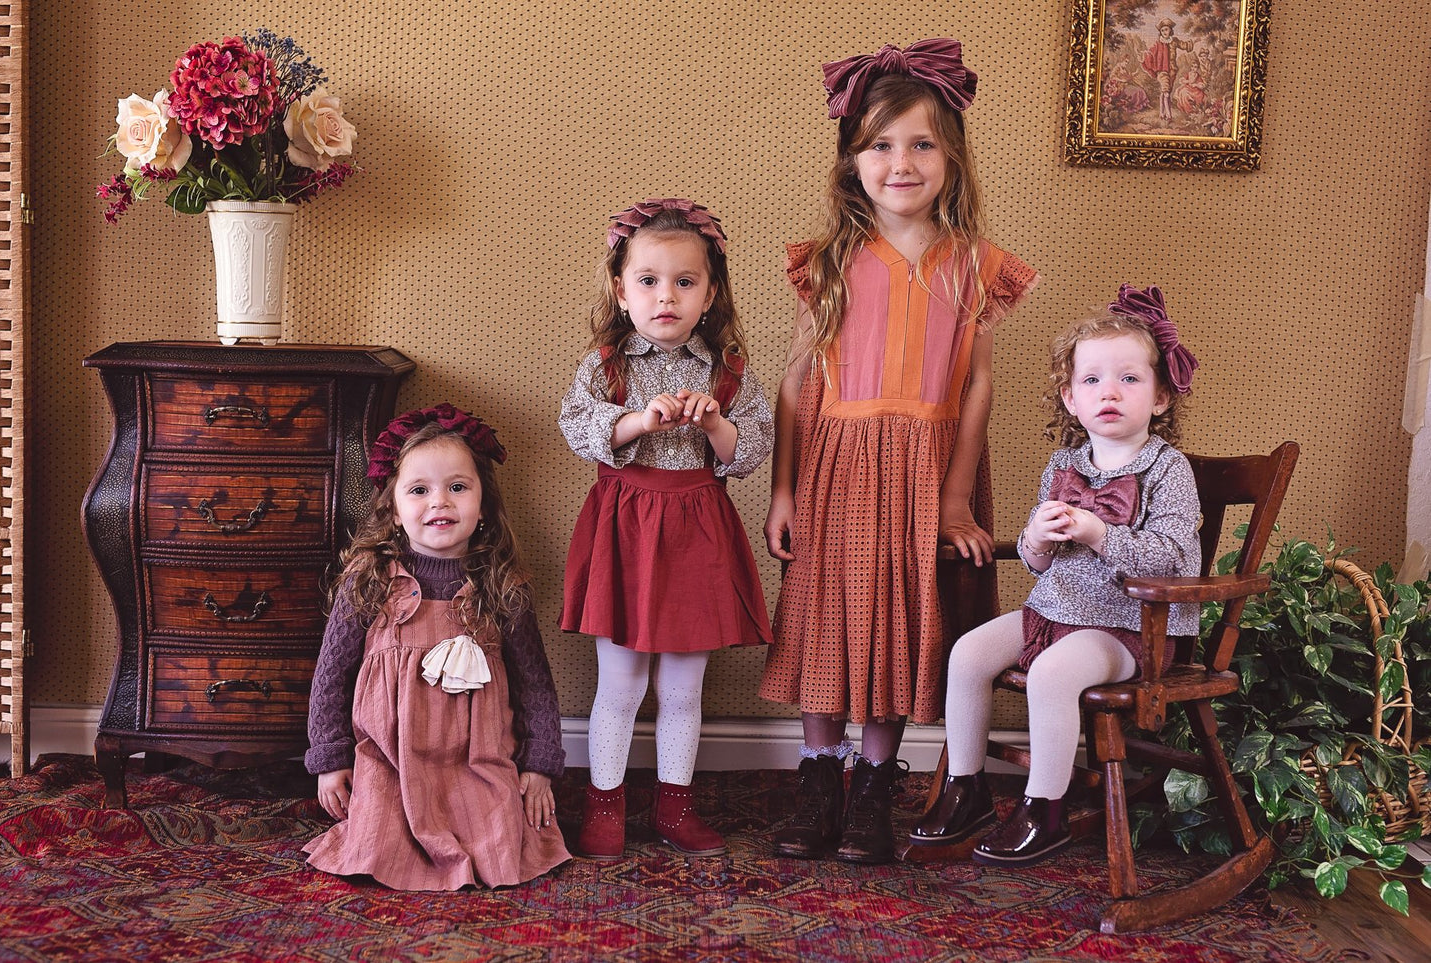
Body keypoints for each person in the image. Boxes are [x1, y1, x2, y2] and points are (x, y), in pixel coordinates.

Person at [760, 39, 1039, 865]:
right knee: (826, 619)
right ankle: (819, 778)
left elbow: (977, 386)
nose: (900, 163)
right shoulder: (827, 262)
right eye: (879, 145)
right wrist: (783, 491)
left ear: (951, 157)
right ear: (852, 161)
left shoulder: (977, 266)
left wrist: (953, 498)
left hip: (925, 470)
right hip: (835, 463)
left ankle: (873, 787)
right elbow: (795, 383)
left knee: (893, 619)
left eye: (920, 144)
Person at [911, 284, 1201, 866]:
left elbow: (1174, 562)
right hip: (1052, 613)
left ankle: (1045, 809)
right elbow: (1038, 562)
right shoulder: (1064, 464)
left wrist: (1100, 534)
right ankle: (965, 788)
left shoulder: (1169, 470)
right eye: (1091, 380)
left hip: (1130, 631)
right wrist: (1038, 539)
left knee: (1049, 674)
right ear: (1070, 398)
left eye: (1129, 379)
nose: (1109, 392)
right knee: (966, 654)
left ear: (1161, 397)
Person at [559, 198, 774, 859]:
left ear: (709, 294)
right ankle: (604, 805)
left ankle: (675, 806)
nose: (666, 296)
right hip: (624, 530)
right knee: (621, 684)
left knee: (682, 687)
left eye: (685, 282)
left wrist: (714, 423)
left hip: (696, 534)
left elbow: (751, 449)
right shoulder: (607, 365)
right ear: (621, 289)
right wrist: (637, 420)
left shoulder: (728, 371)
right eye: (648, 280)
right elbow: (577, 426)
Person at [303, 403, 571, 890]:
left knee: (502, 840)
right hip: (390, 762)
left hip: (477, 761)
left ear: (484, 503)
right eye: (419, 490)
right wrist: (330, 759)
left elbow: (535, 683)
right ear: (393, 508)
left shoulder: (501, 586)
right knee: (376, 839)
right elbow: (331, 676)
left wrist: (539, 766)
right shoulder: (368, 582)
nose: (439, 502)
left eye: (458, 487)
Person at [1141, 19, 1194, 124]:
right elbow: (1150, 53)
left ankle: (1161, 113)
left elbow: (1184, 45)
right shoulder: (1158, 43)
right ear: (1160, 32)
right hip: (1162, 71)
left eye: (1166, 29)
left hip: (1172, 71)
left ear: (1170, 30)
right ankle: (1169, 116)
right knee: (1166, 93)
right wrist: (1144, 56)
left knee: (1166, 92)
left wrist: (1192, 43)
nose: (1164, 32)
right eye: (1162, 30)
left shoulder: (1174, 41)